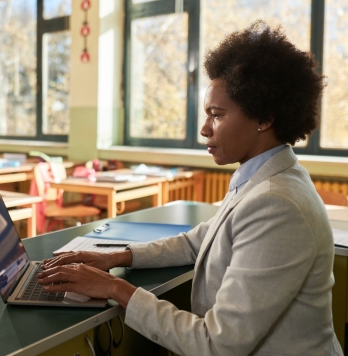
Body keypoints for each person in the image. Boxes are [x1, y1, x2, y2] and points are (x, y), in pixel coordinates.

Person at [37, 21, 343, 355]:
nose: (204, 129)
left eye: (217, 115)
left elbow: (217, 344)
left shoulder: (276, 203)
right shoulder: (264, 177)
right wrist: (115, 257)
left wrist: (115, 288)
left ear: (264, 118)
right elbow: (197, 242)